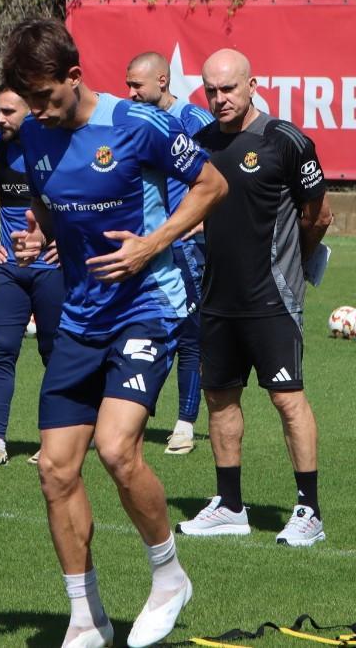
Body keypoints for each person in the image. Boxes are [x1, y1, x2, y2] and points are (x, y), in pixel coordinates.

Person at [2, 20, 228, 648]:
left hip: (146, 308)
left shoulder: (138, 124)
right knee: (53, 468)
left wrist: (151, 245)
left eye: (46, 97)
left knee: (116, 447)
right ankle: (86, 617)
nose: (38, 111)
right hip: (81, 315)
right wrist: (39, 232)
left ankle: (168, 575)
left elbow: (212, 185)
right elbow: (51, 199)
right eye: (30, 100)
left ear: (75, 77)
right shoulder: (37, 136)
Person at [176, 49, 333, 547]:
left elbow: (319, 214)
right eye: (212, 91)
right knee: (219, 399)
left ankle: (309, 511)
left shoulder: (285, 141)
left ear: (251, 85)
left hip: (273, 299)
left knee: (288, 400)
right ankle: (229, 505)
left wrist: (298, 262)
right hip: (217, 298)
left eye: (229, 89)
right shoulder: (198, 144)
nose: (220, 99)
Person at [0, 84, 64, 468]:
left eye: (8, 112)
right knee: (0, 353)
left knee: (55, 356)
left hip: (53, 272)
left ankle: (54, 442)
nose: (0, 119)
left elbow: (84, 199)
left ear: (32, 109)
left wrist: (67, 245)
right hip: (8, 272)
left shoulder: (58, 145)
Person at [125, 51, 216, 454]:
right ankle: (135, 413)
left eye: (137, 86)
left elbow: (219, 174)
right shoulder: (134, 121)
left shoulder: (194, 120)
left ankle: (185, 423)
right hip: (146, 246)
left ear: (162, 81)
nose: (130, 93)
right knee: (141, 327)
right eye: (127, 85)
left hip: (187, 247)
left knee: (189, 333)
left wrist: (202, 219)